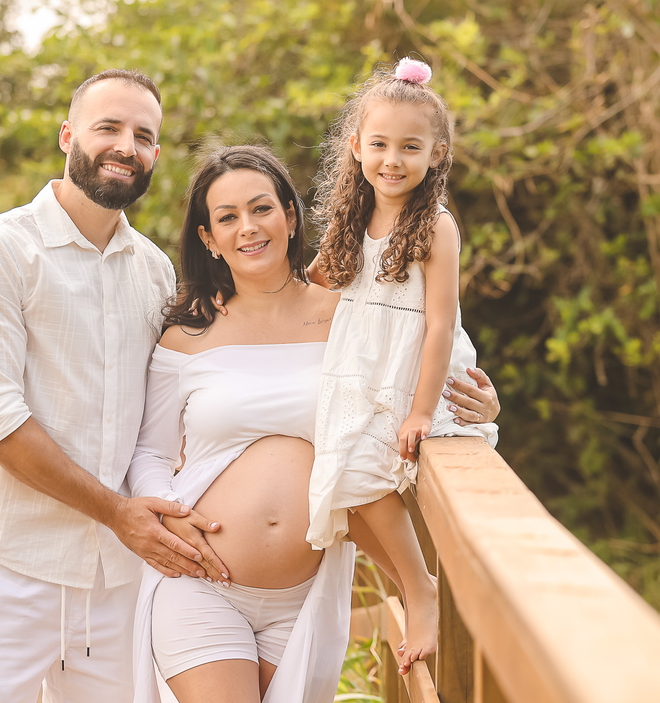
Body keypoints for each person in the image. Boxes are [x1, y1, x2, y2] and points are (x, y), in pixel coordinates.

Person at [127, 145, 501, 703]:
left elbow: (414, 379)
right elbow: (151, 454)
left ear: (290, 216)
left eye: (261, 209)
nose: (248, 228)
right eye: (227, 217)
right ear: (208, 238)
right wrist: (167, 517)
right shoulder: (186, 336)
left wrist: (481, 409)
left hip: (305, 596)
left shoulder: (347, 312)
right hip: (199, 583)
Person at [0, 69, 221, 703]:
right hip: (2, 566)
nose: (125, 146)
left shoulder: (155, 271)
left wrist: (441, 385)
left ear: (155, 156)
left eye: (143, 136)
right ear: (68, 135)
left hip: (113, 581)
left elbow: (177, 405)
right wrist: (119, 515)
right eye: (107, 127)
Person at [306, 58, 500, 674]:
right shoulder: (352, 218)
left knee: (363, 476)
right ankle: (422, 587)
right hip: (359, 366)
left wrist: (421, 409)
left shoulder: (436, 226)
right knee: (341, 486)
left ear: (435, 154)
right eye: (381, 144)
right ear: (357, 146)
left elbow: (440, 321)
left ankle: (419, 589)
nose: (393, 160)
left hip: (410, 369)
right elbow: (320, 285)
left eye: (410, 148)